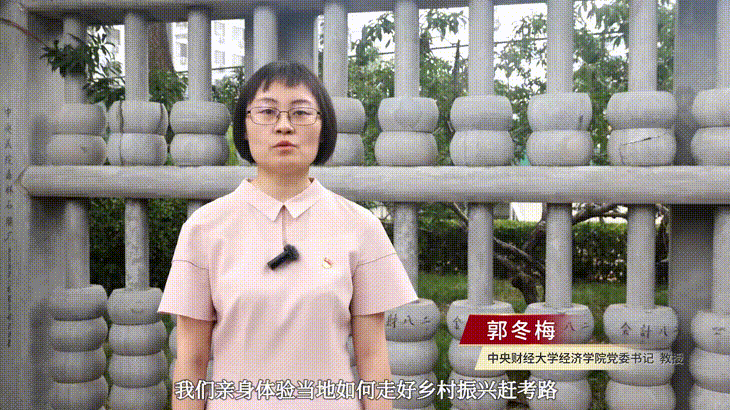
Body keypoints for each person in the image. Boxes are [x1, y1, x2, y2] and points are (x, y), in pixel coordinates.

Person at [158, 61, 418, 410]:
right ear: (244, 129)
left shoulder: (360, 226)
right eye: (267, 112)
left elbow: (372, 357)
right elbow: (191, 361)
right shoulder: (204, 228)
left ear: (323, 129)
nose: (284, 125)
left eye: (301, 113)